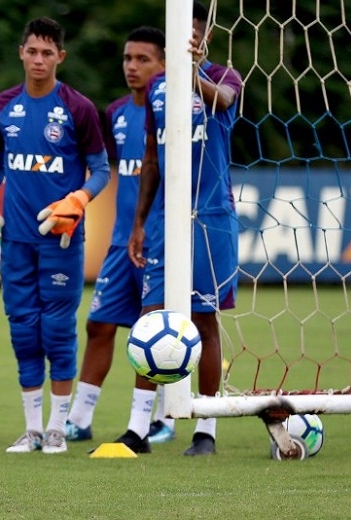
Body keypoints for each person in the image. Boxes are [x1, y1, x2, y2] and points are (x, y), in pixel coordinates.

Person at [0, 17, 110, 454]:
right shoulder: (2, 106)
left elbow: (101, 170)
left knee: (57, 331)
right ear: (21, 53)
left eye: (48, 52)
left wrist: (79, 199)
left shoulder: (78, 108)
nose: (39, 59)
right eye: (32, 51)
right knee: (24, 331)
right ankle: (31, 430)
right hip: (16, 241)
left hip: (61, 238)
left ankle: (57, 429)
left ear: (60, 57)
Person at [122, 2, 243, 455]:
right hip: (162, 222)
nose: (187, 43)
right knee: (151, 320)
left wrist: (192, 69)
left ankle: (206, 432)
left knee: (204, 321)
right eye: (180, 38)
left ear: (205, 37)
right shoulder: (156, 87)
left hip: (210, 219)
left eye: (193, 37)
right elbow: (152, 158)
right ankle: (138, 430)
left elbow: (225, 101)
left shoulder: (224, 77)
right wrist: (138, 224)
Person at [65, 27, 170, 443]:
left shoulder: (174, 115)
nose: (132, 66)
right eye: (128, 58)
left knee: (152, 334)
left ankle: (150, 422)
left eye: (143, 59)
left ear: (163, 65)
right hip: (119, 242)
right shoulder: (117, 112)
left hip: (160, 243)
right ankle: (80, 418)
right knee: (99, 326)